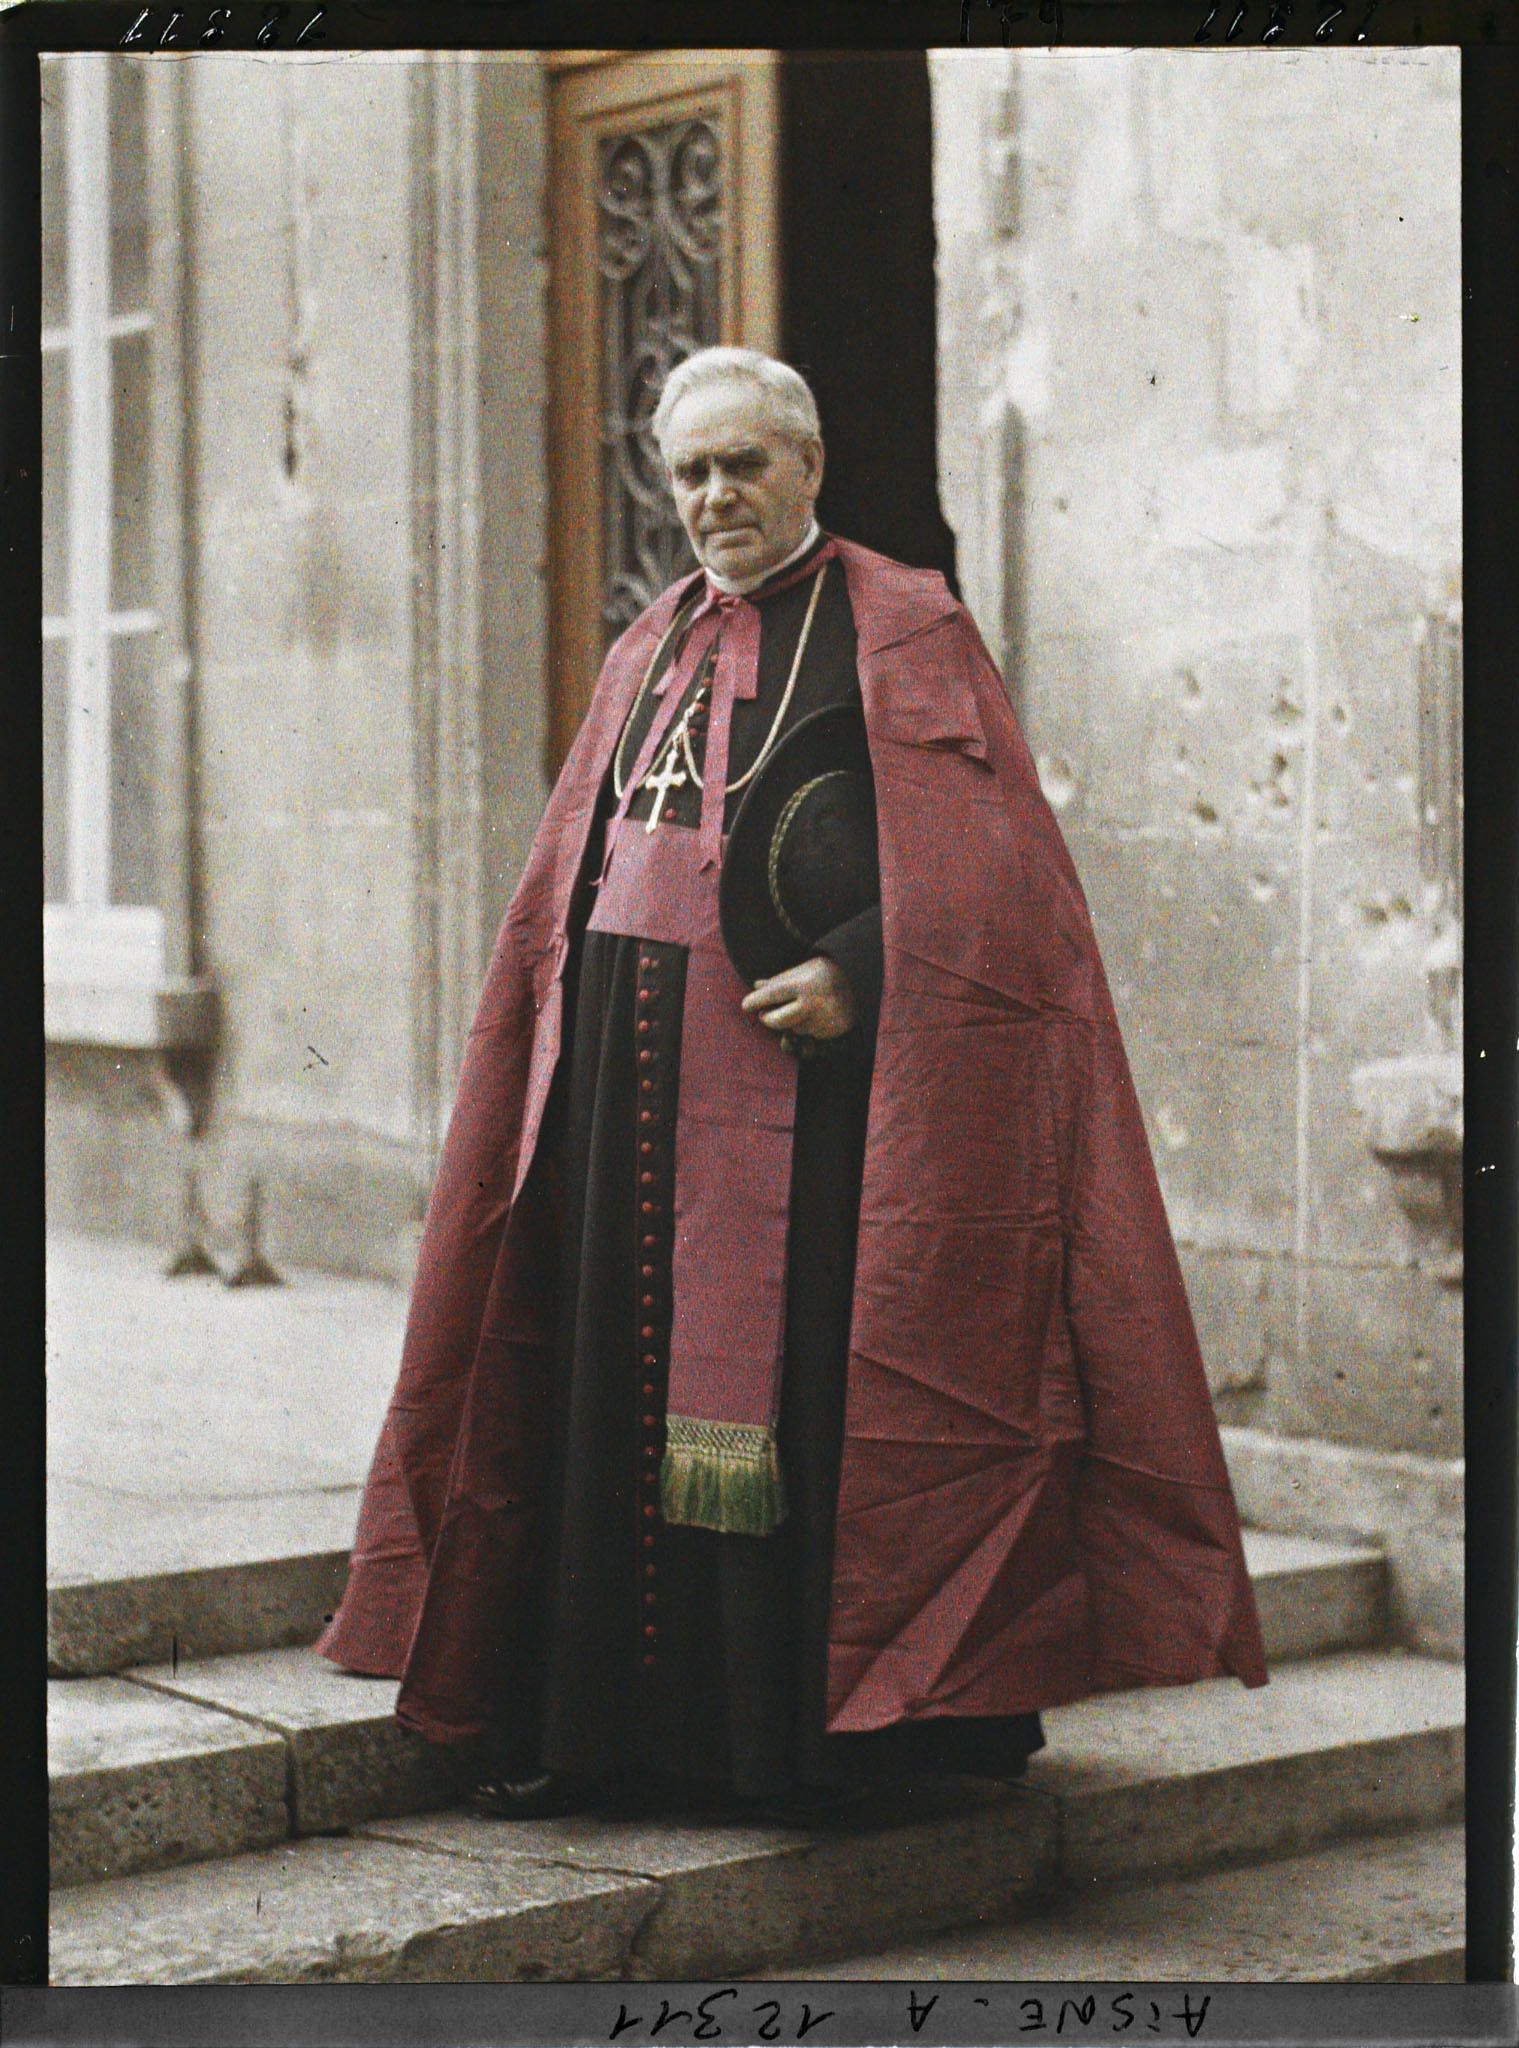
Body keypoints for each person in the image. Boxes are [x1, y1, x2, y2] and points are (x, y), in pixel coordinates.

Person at [318, 348, 1268, 1825]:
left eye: (744, 465)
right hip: (629, 1105)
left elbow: (998, 880)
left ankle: (810, 1745)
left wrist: (858, 967)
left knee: (812, 1418)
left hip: (817, 1117)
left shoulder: (904, 625)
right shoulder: (647, 645)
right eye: (689, 472)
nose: (715, 498)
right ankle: (612, 1732)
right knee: (610, 1410)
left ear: (810, 468)